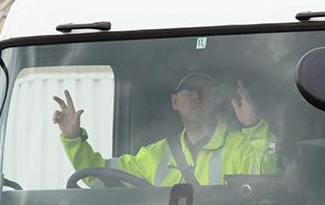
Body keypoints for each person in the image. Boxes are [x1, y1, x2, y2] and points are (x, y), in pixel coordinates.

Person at [53, 71, 278, 186]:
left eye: (204, 91)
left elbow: (269, 177)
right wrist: (73, 139)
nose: (197, 97)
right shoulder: (155, 155)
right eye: (188, 91)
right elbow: (98, 176)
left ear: (214, 99)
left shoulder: (240, 146)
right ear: (174, 102)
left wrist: (253, 126)